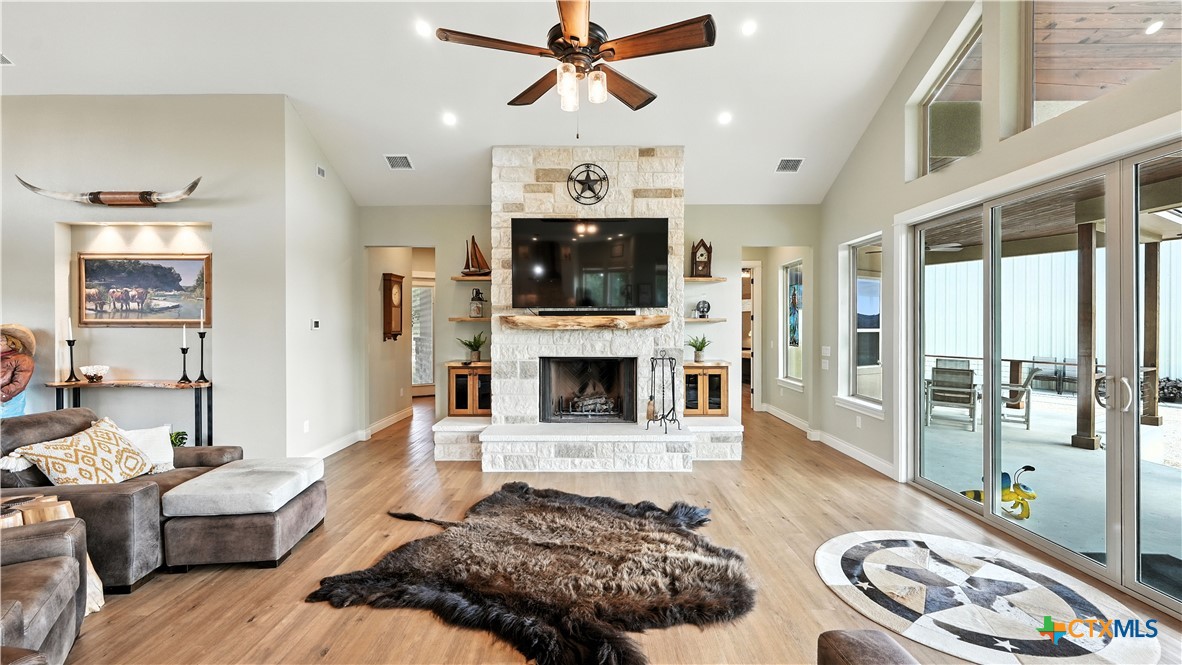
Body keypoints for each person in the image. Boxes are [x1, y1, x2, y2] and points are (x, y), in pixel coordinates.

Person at [1, 324, 36, 419]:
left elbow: (19, 383)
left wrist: (3, 395)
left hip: (8, 402)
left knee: (8, 425)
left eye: (1, 340)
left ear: (12, 343)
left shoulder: (23, 359)